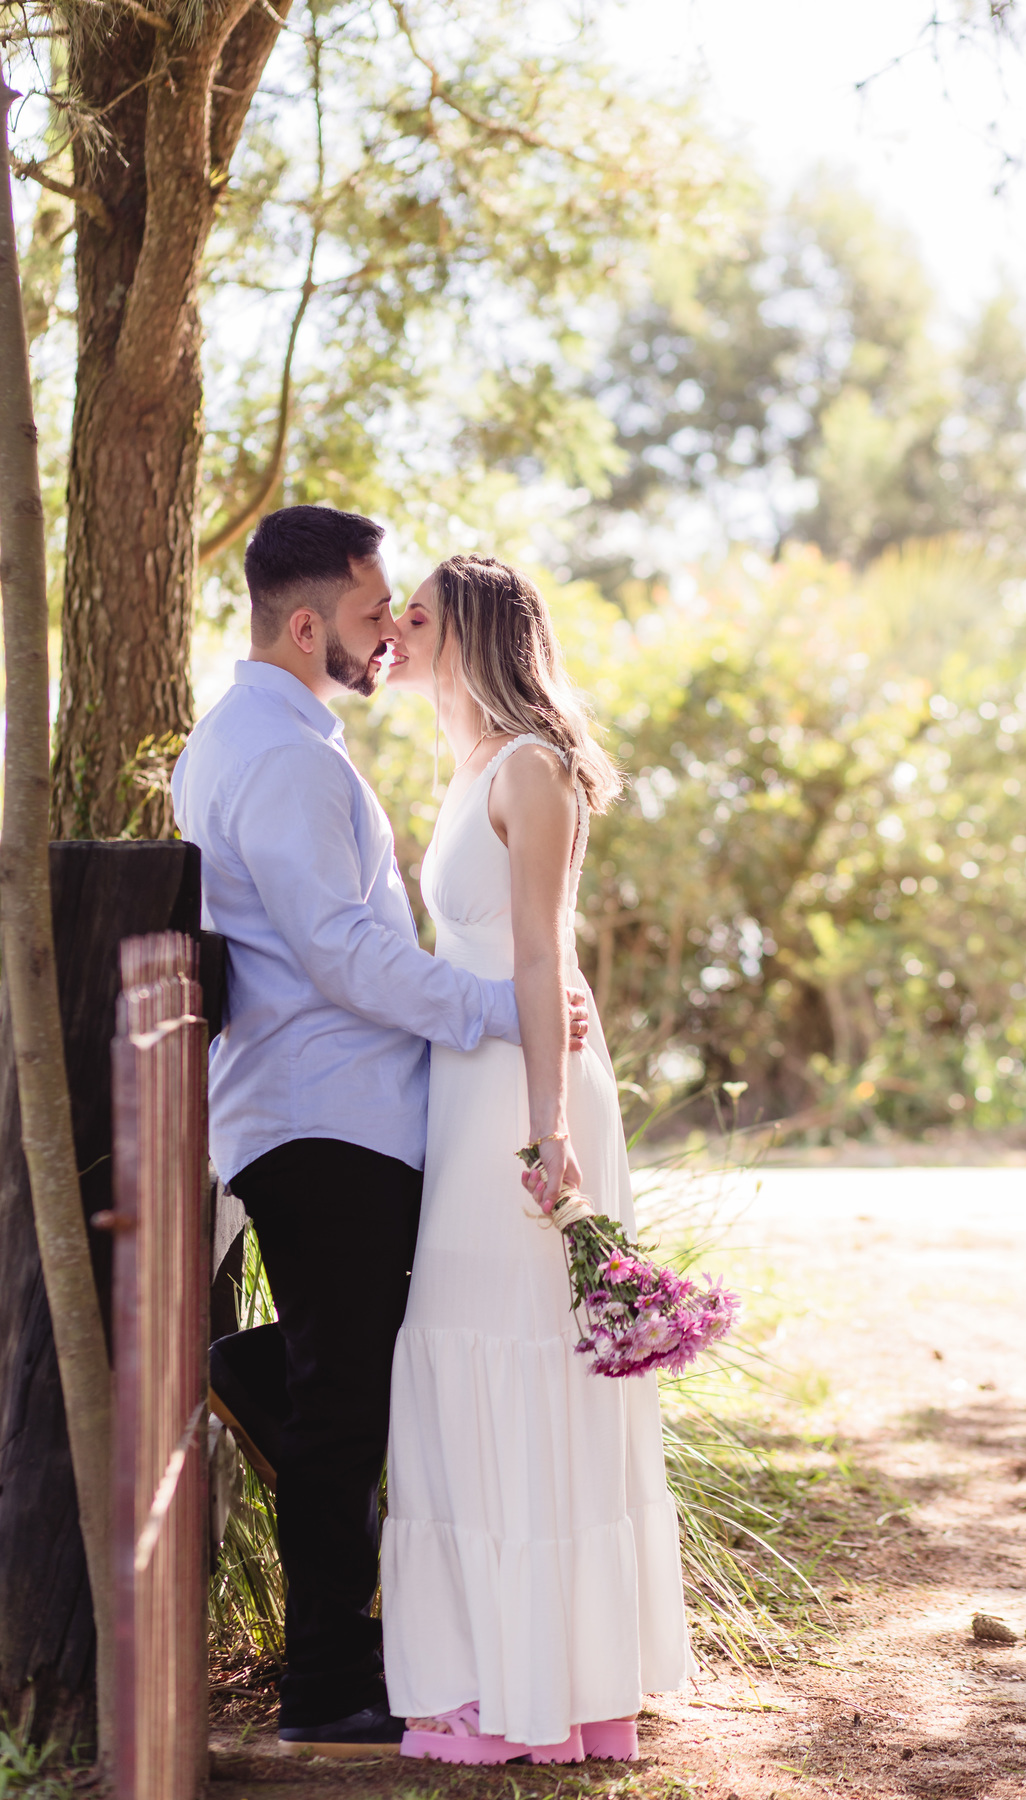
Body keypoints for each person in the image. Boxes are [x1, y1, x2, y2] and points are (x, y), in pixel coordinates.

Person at [170, 508, 591, 1758]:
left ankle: (259, 1376)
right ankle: (325, 1690)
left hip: (320, 1106)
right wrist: (501, 1012)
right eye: (367, 613)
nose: (382, 634)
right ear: (307, 625)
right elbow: (343, 954)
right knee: (347, 1407)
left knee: (347, 1377)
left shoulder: (250, 735)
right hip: (326, 1111)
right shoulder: (289, 757)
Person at [379, 555, 693, 1764]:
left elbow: (540, 959)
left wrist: (552, 1131)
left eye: (417, 615)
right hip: (466, 1090)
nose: (395, 631)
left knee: (527, 1356)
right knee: (467, 1348)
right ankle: (500, 1678)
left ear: (470, 634)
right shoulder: (461, 767)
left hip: (527, 1093)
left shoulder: (533, 767)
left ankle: (552, 1693)